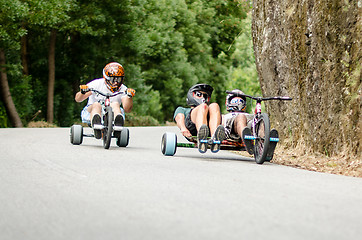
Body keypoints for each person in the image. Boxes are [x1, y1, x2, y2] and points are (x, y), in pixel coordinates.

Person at [75, 62, 136, 139]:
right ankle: (96, 122)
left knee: (115, 104)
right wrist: (83, 92)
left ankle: (118, 124)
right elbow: (78, 99)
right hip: (92, 110)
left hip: (112, 111)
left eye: (118, 79)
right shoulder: (96, 84)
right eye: (113, 79)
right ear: (106, 78)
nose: (116, 82)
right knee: (97, 104)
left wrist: (129, 97)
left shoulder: (123, 89)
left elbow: (127, 109)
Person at [173, 83, 226, 153]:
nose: (202, 98)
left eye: (205, 96)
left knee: (214, 105)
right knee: (203, 106)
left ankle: (215, 138)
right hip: (192, 127)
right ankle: (201, 136)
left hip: (209, 129)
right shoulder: (183, 109)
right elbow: (179, 117)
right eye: (199, 94)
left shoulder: (209, 109)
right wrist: (183, 128)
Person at [222, 89, 254, 154]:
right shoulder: (225, 116)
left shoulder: (249, 115)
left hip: (250, 125)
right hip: (233, 130)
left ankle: (266, 146)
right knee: (241, 117)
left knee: (260, 120)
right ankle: (247, 140)